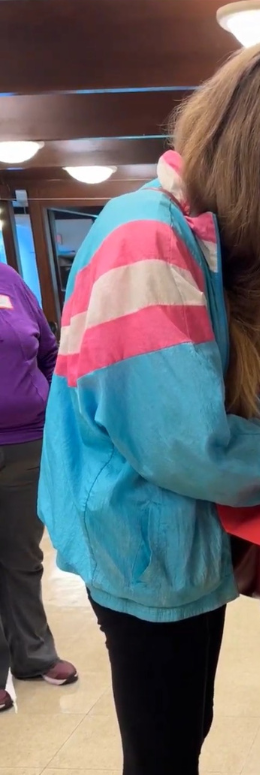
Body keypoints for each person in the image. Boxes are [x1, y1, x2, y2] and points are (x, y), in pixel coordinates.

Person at [37, 41, 260, 775]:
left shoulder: (201, 241)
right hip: (145, 553)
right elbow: (190, 444)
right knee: (164, 749)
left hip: (179, 548)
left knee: (183, 732)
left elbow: (254, 389)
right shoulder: (146, 239)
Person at [0, 263, 77, 712]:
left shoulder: (9, 279)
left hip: (27, 444)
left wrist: (47, 403)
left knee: (23, 557)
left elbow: (50, 353)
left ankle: (34, 656)